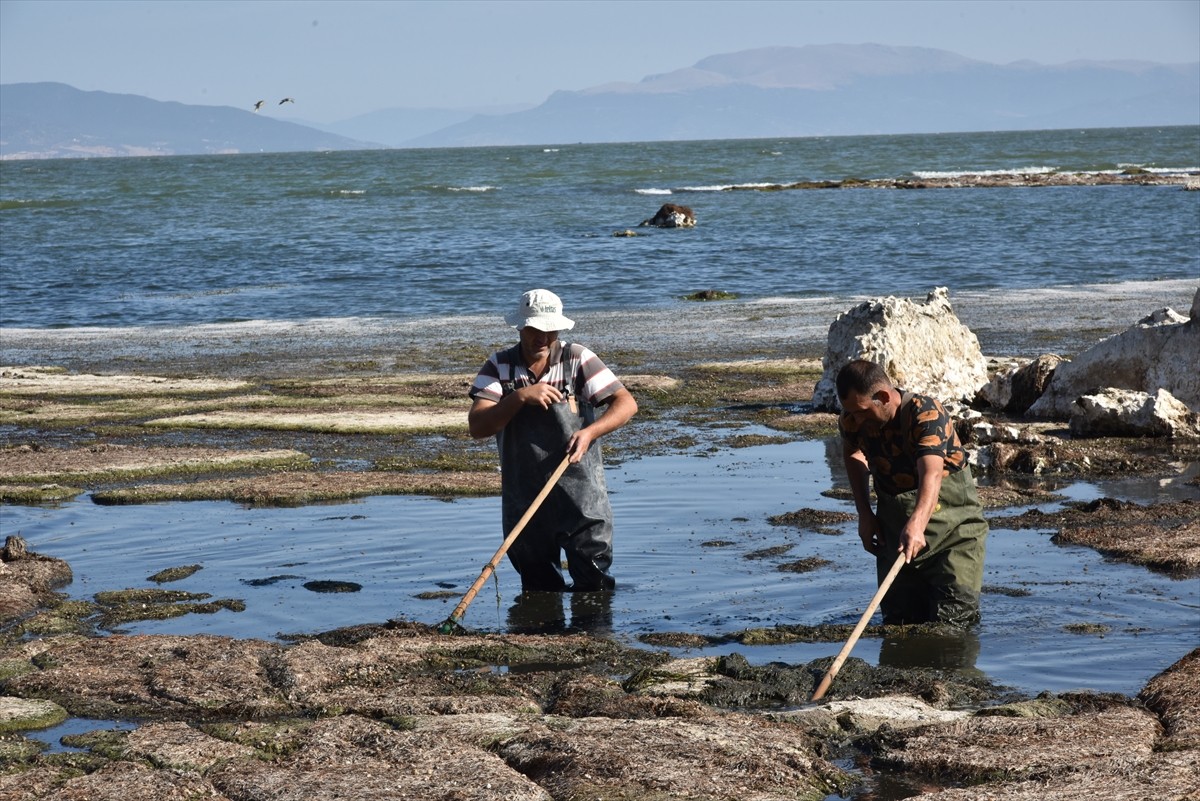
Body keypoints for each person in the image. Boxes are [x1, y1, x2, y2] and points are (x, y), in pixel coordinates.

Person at [468, 289, 638, 593]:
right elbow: (478, 426)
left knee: (595, 586)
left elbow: (626, 404)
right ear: (520, 326)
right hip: (525, 499)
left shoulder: (576, 359)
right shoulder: (500, 366)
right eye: (535, 329)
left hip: (581, 499)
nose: (542, 338)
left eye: (550, 330)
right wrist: (519, 397)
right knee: (538, 590)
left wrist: (590, 432)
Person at [836, 359, 988, 627]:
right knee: (899, 625)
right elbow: (852, 453)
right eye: (851, 413)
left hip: (953, 534)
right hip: (894, 534)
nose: (856, 420)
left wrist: (917, 523)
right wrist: (864, 513)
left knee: (952, 625)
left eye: (862, 411)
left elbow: (930, 472)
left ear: (883, 397)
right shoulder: (852, 418)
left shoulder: (925, 413)